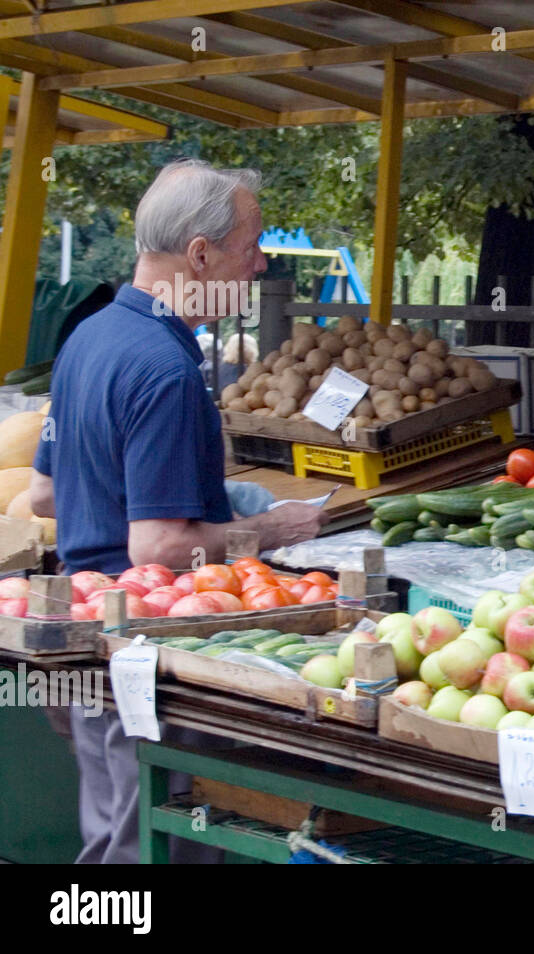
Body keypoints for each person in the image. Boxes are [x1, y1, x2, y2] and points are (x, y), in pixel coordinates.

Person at [29, 159, 330, 864]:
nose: (259, 264)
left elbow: (45, 494)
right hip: (150, 659)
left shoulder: (88, 339)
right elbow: (158, 548)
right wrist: (270, 529)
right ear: (200, 255)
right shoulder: (164, 370)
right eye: (251, 245)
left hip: (89, 641)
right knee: (153, 856)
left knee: (109, 848)